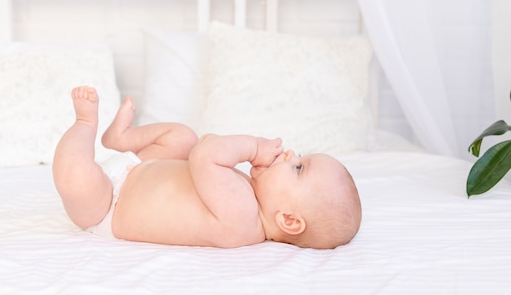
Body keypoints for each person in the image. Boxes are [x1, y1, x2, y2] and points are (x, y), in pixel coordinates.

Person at [53, 86, 362, 249]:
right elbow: (205, 146)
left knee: (75, 176)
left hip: (108, 205)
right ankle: (122, 139)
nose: (291, 154)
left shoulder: (242, 217)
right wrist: (210, 148)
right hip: (141, 167)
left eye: (298, 168)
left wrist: (254, 146)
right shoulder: (247, 196)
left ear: (289, 220)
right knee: (184, 138)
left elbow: (205, 155)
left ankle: (84, 124)